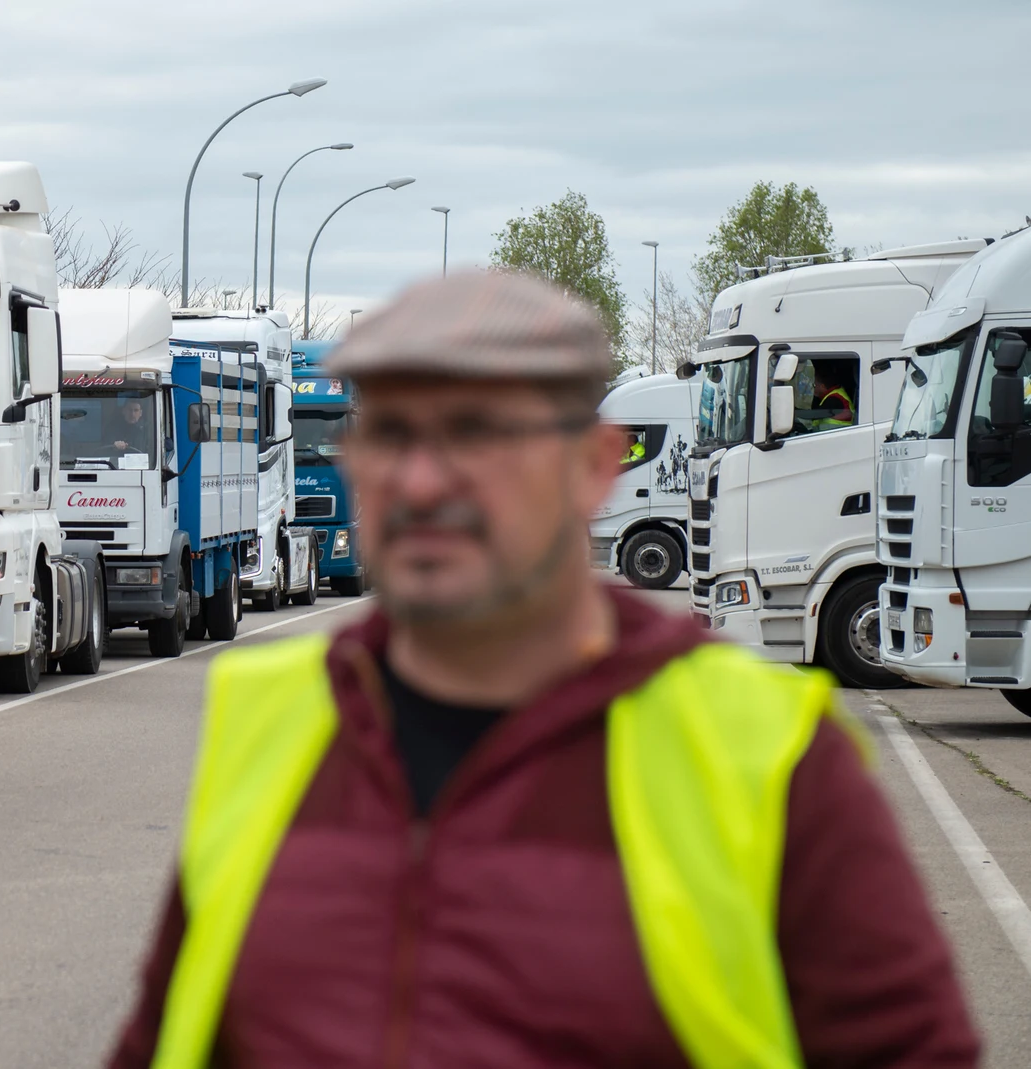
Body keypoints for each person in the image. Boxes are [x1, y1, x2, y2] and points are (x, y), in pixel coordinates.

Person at [108, 270, 976, 1069]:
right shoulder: (273, 716)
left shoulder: (768, 754)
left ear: (594, 468)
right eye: (392, 434)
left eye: (478, 435)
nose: (422, 480)